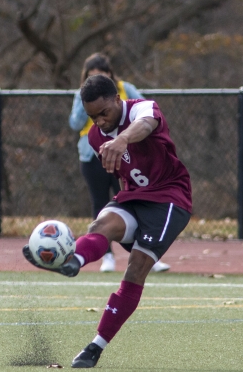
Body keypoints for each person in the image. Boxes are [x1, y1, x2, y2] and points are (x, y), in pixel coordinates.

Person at [23, 74, 192, 368]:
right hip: (135, 196)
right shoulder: (94, 137)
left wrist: (123, 138)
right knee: (100, 226)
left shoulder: (142, 109)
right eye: (93, 117)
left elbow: (146, 124)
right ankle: (72, 261)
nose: (99, 121)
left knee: (136, 267)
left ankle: (94, 347)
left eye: (104, 113)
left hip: (169, 198)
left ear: (117, 99)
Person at [69, 52, 170, 273]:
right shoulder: (83, 96)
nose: (95, 80)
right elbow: (75, 123)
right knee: (101, 205)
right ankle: (106, 256)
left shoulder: (125, 89)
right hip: (92, 155)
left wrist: (125, 137)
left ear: (109, 75)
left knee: (130, 201)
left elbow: (148, 111)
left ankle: (148, 252)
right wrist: (88, 107)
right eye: (90, 76)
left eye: (100, 75)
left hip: (127, 155)